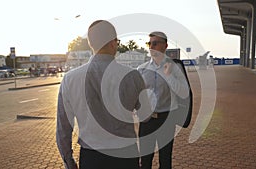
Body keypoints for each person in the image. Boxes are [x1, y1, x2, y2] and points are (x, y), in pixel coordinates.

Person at [56, 20, 150, 169]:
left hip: (91, 157)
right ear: (113, 43)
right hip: (126, 155)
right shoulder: (133, 76)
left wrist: (69, 160)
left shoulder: (70, 79)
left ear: (91, 43)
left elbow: (63, 127)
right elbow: (145, 115)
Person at [137, 31, 190, 169]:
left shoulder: (175, 67)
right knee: (145, 160)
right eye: (149, 43)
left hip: (167, 119)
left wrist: (168, 75)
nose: (151, 47)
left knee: (165, 160)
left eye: (155, 43)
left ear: (165, 46)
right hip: (147, 120)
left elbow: (184, 93)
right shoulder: (142, 69)